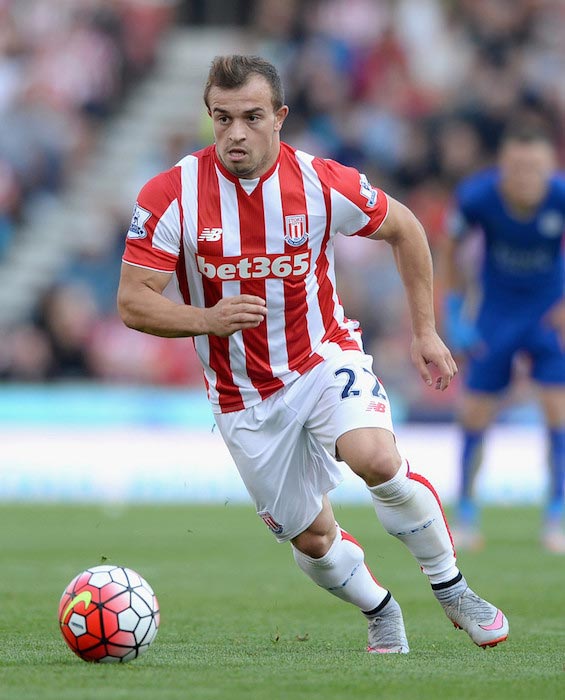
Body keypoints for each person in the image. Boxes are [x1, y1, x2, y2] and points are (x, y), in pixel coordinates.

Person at [117, 54, 509, 653]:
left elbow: (406, 228)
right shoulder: (172, 195)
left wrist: (425, 331)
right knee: (315, 540)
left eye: (251, 117)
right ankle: (380, 608)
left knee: (376, 458)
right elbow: (132, 302)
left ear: (281, 117)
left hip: (322, 357)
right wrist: (207, 318)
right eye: (222, 119)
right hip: (241, 396)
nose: (235, 133)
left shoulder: (322, 182)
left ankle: (453, 588)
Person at [442, 123, 565, 554]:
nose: (526, 175)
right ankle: (466, 512)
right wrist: (455, 308)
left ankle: (557, 513)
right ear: (503, 168)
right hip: (497, 314)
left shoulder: (560, 196)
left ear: (549, 168)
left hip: (549, 314)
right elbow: (451, 245)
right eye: (517, 166)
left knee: (558, 412)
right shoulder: (478, 197)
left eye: (535, 167)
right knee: (474, 415)